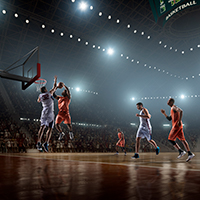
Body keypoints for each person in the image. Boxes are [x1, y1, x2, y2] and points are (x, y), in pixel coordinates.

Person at [36, 76, 58, 152]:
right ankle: (46, 143)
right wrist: (55, 80)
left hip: (43, 112)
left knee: (42, 127)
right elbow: (55, 87)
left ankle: (38, 142)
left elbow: (38, 101)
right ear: (45, 89)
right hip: (50, 112)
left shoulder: (40, 96)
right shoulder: (49, 93)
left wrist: (41, 97)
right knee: (50, 128)